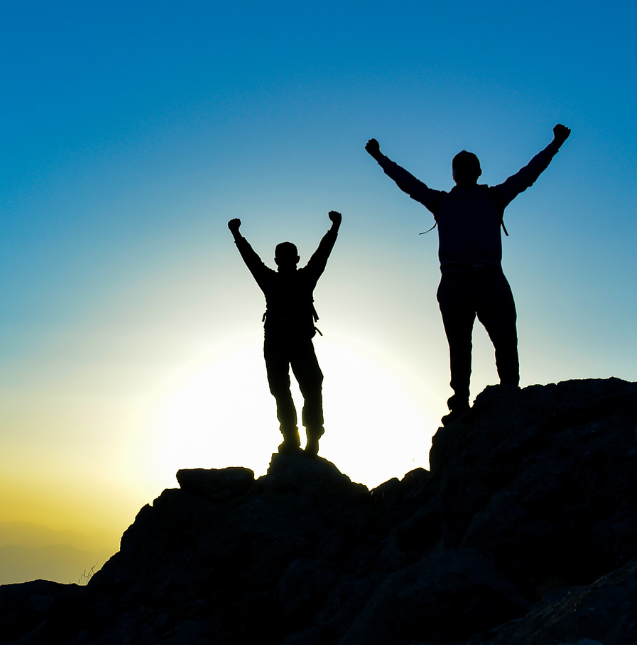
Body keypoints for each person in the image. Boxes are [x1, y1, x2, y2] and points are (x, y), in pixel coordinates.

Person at [365, 124, 571, 423]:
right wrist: (379, 157)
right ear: (454, 173)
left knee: (504, 340)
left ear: (477, 171)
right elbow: (407, 183)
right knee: (460, 347)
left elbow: (528, 174)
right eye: (458, 166)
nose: (462, 169)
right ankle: (460, 403)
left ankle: (508, 394)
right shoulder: (442, 201)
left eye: (467, 165)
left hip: (488, 280)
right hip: (455, 284)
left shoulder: (492, 197)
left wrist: (555, 144)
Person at [227, 211, 341, 455]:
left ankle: (305, 437)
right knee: (286, 389)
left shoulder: (291, 279)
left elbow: (322, 254)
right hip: (281, 341)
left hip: (291, 341)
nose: (286, 262)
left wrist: (237, 234)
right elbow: (252, 260)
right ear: (283, 260)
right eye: (284, 258)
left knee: (307, 386)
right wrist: (237, 235)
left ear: (285, 260)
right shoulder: (289, 279)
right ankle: (294, 437)